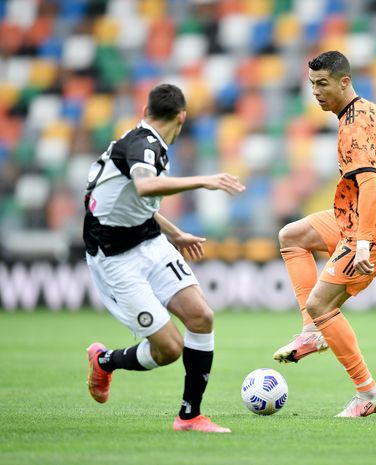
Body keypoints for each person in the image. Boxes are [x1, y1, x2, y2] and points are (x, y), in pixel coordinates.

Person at [83, 83, 245, 433]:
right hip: (115, 258)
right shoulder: (142, 146)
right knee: (169, 349)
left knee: (201, 316)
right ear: (182, 117)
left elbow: (129, 201)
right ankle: (105, 360)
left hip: (150, 241)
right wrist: (205, 181)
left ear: (146, 112)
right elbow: (144, 186)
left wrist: (175, 233)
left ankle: (190, 417)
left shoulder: (147, 142)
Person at [273, 51, 376, 417]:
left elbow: (369, 186)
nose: (316, 92)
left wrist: (365, 240)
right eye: (312, 85)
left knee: (322, 304)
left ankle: (368, 394)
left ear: (344, 81)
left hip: (373, 228)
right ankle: (311, 331)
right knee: (292, 236)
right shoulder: (373, 111)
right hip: (361, 218)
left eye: (323, 84)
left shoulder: (353, 127)